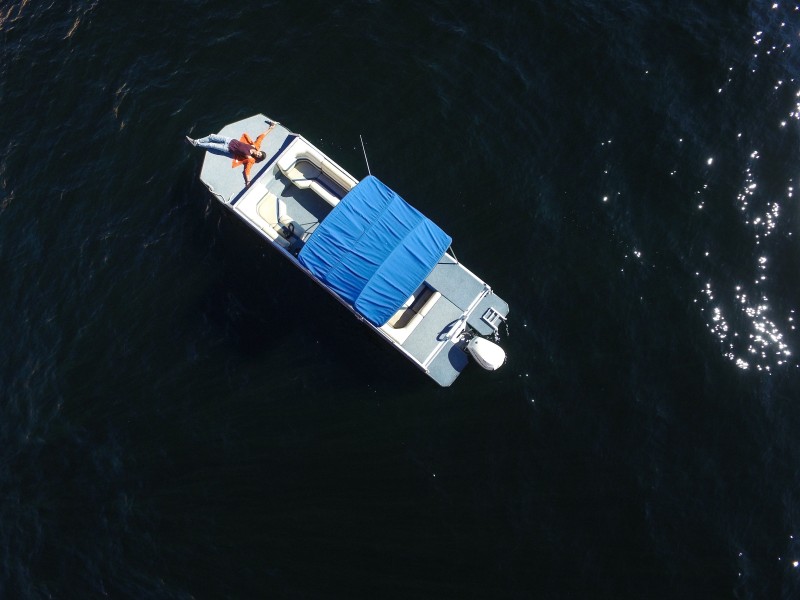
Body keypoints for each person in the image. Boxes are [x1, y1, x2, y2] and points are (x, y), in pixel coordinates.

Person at [186, 122, 275, 186]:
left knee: (210, 145)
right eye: (259, 153)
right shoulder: (256, 146)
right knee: (211, 136)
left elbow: (247, 170)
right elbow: (261, 137)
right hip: (230, 140)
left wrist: (248, 181)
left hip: (227, 148)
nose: (257, 154)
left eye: (258, 156)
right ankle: (197, 141)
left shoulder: (251, 159)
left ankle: (196, 143)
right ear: (259, 151)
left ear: (257, 157)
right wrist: (270, 128)